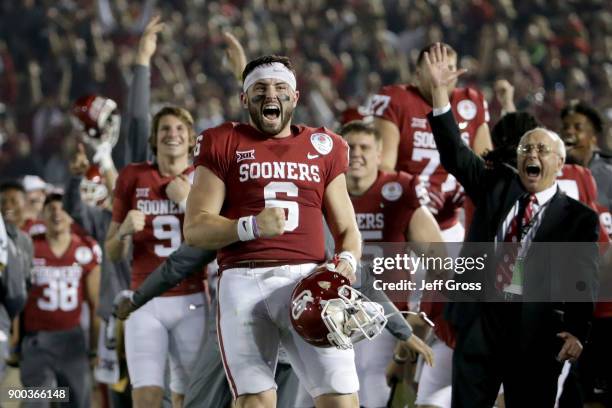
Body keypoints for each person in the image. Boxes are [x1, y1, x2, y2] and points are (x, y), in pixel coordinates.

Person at [424, 43, 599, 408]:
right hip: (480, 323)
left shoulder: (578, 217)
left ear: (560, 163)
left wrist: (579, 330)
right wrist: (440, 95)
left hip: (537, 333)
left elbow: (583, 276)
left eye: (541, 151)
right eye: (525, 150)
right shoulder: (495, 185)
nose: (531, 155)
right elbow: (455, 153)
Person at [184, 54, 362, 408]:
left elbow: (347, 228)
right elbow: (196, 227)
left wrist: (347, 261)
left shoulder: (324, 146)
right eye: (260, 88)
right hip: (243, 282)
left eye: (281, 88)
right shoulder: (223, 142)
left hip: (310, 283)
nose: (271, 95)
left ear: (295, 98)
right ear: (244, 99)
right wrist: (250, 226)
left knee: (342, 399)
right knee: (256, 401)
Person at [370, 42, 492, 242]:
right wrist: (415, 193)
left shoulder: (471, 102)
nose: (442, 74)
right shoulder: (396, 100)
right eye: (435, 68)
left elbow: (486, 167)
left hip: (453, 221)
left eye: (449, 68)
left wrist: (467, 187)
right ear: (418, 73)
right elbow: (383, 168)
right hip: (407, 221)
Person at [20, 194, 101, 408]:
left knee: (77, 401)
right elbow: (17, 295)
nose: (57, 212)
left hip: (72, 341)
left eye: (62, 208)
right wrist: (14, 342)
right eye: (51, 208)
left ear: (71, 215)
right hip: (36, 340)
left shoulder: (85, 249)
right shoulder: (29, 247)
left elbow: (95, 305)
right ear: (42, 215)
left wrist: (94, 348)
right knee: (35, 402)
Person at [561, 100, 612, 212]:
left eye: (578, 128)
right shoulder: (551, 172)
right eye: (565, 127)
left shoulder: (608, 176)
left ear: (593, 138)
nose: (569, 132)